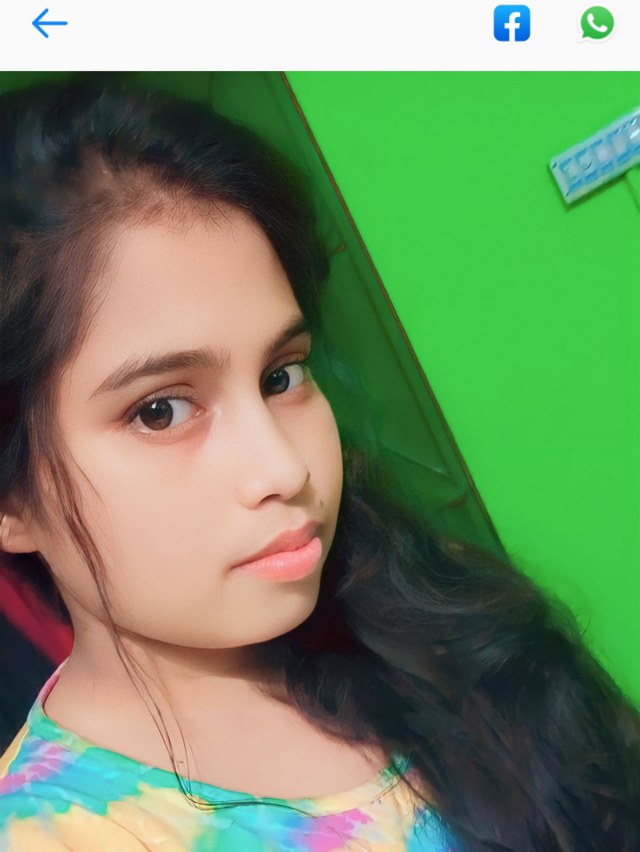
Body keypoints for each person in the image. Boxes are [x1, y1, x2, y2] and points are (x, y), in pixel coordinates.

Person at [0, 72, 638, 852]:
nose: (283, 469)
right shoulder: (59, 834)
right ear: (12, 500)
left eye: (281, 376)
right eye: (160, 411)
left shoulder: (425, 624)